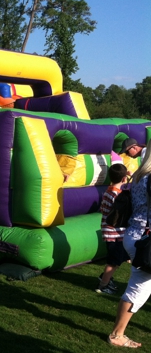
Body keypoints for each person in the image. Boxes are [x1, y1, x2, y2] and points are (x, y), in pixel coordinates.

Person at [108, 148, 151, 348]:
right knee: (139, 289)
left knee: (140, 287)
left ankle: (118, 333)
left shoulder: (140, 175)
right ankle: (117, 335)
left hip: (136, 234)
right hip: (144, 240)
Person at [97, 163, 130, 294]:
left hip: (110, 231)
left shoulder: (109, 191)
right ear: (123, 179)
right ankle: (103, 285)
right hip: (114, 232)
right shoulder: (118, 195)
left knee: (116, 258)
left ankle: (105, 278)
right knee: (113, 261)